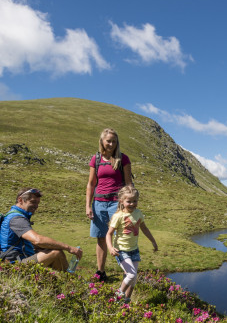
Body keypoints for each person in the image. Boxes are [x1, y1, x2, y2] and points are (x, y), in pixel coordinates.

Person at [86, 128, 133, 281]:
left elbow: (128, 183)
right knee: (100, 238)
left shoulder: (123, 159)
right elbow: (91, 183)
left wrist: (129, 205)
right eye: (108, 141)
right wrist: (88, 205)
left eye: (114, 141)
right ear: (102, 142)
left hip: (116, 204)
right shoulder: (96, 159)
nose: (111, 144)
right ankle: (100, 272)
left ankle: (127, 271)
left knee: (120, 237)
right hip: (99, 203)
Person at [0, 187, 83, 270]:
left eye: (38, 203)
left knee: (51, 249)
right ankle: (67, 280)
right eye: (33, 202)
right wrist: (68, 248)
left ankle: (64, 276)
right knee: (56, 253)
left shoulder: (16, 215)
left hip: (20, 258)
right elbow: (38, 240)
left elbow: (30, 243)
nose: (36, 206)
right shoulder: (17, 219)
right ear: (20, 200)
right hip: (14, 264)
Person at [106, 186, 158, 304]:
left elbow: (144, 228)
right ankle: (117, 297)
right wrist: (110, 248)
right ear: (121, 201)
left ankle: (126, 301)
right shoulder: (118, 216)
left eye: (134, 201)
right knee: (131, 274)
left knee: (133, 279)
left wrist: (153, 241)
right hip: (121, 251)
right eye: (129, 201)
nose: (132, 204)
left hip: (134, 250)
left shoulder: (138, 213)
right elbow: (108, 234)